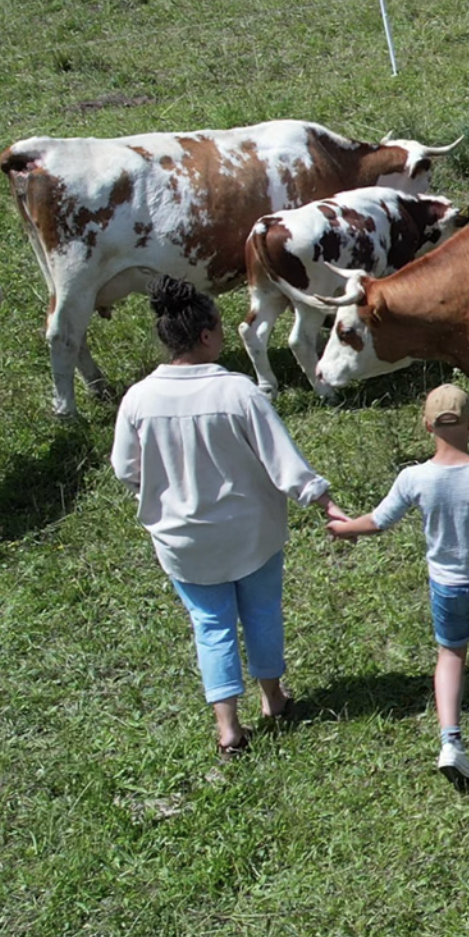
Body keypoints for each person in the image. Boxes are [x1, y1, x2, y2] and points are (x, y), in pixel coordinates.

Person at [110, 279, 353, 758]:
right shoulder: (237, 391)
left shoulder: (138, 398)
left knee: (211, 624)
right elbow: (282, 459)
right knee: (261, 611)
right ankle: (274, 698)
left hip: (184, 544)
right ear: (205, 336)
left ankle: (228, 728)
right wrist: (323, 501)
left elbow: (125, 469)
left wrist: (161, 491)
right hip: (252, 533)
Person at [330, 383, 469, 780]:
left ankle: (451, 740)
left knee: (451, 656)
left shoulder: (414, 478)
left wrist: (344, 527)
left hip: (447, 587)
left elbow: (378, 521)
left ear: (427, 425)